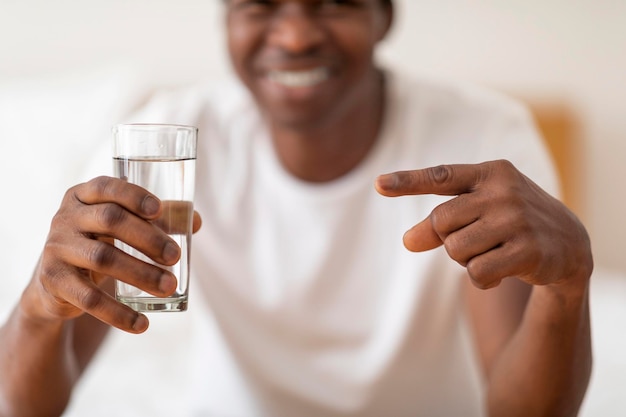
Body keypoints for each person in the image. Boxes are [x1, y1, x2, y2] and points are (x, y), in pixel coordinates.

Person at [0, 1, 593, 416]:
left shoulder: (484, 136)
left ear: (384, 15)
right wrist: (35, 308)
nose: (295, 37)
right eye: (260, 4)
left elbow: (522, 411)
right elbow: (26, 407)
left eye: (333, 2)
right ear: (228, 18)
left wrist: (568, 285)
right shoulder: (164, 139)